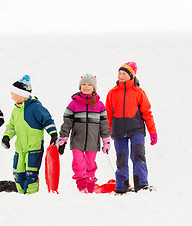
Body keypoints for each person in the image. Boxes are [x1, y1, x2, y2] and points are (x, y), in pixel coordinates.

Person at [105, 62, 158, 194]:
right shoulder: (112, 93)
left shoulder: (139, 92)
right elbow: (108, 114)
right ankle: (121, 187)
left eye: (124, 74)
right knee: (121, 158)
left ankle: (142, 185)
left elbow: (147, 113)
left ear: (131, 76)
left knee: (138, 155)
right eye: (119, 73)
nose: (121, 76)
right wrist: (109, 129)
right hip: (118, 130)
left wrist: (153, 131)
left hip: (136, 130)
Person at [1, 75, 58, 194]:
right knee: (18, 173)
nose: (11, 97)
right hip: (20, 149)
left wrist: (53, 134)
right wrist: (7, 137)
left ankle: (30, 197)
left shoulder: (35, 107)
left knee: (31, 174)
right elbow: (11, 126)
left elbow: (47, 120)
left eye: (13, 94)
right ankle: (22, 195)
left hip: (34, 148)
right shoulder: (16, 110)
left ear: (22, 95)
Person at [58, 74, 111, 193]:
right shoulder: (73, 104)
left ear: (94, 88)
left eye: (89, 85)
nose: (86, 87)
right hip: (77, 139)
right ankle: (81, 184)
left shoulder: (100, 105)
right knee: (78, 161)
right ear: (80, 87)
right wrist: (63, 137)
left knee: (90, 163)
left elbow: (104, 124)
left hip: (93, 140)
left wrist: (106, 141)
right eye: (83, 84)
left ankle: (90, 184)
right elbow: (67, 122)